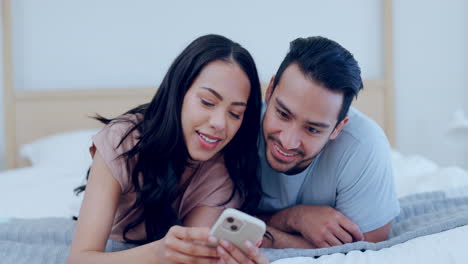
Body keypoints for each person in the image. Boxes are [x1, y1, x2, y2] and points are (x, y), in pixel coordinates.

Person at [67, 34, 269, 264]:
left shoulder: (221, 170)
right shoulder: (122, 141)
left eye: (235, 113)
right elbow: (78, 259)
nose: (220, 123)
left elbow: (195, 252)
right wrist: (157, 254)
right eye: (207, 102)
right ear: (178, 93)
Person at [256, 36, 400, 249]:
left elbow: (368, 247)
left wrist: (267, 235)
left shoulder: (363, 145)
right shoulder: (236, 124)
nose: (287, 142)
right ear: (269, 92)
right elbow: (214, 223)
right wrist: (294, 218)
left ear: (338, 128)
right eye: (283, 114)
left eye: (312, 129)